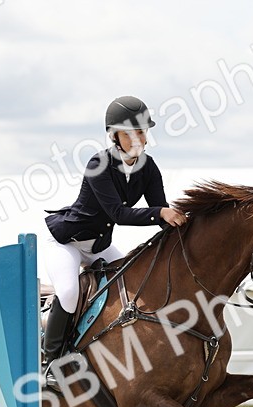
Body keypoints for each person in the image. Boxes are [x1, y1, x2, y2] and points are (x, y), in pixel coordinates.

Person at [42, 95, 187, 366]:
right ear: (115, 136)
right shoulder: (99, 164)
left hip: (99, 244)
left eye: (142, 133)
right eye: (130, 134)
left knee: (132, 286)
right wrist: (160, 213)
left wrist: (183, 223)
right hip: (68, 243)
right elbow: (117, 214)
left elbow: (160, 210)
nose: (138, 140)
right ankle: (50, 360)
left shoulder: (149, 168)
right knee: (70, 293)